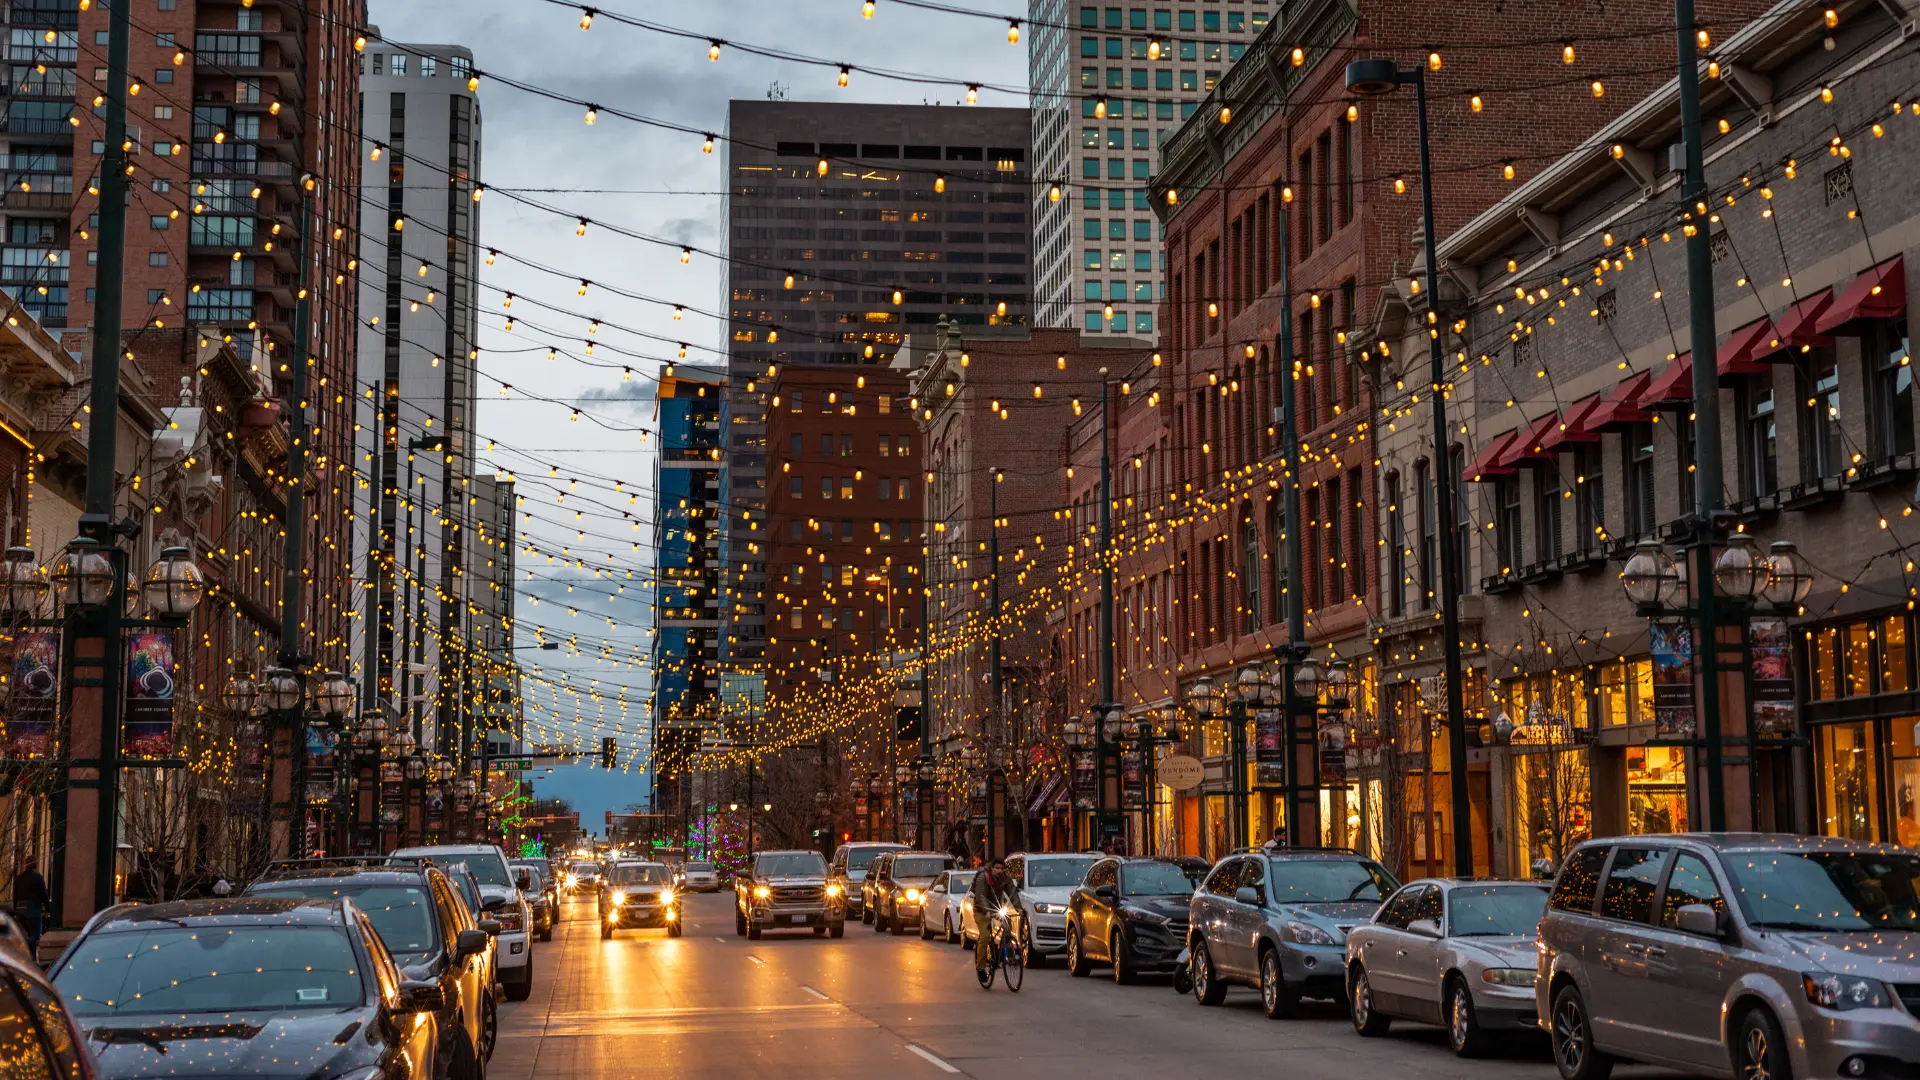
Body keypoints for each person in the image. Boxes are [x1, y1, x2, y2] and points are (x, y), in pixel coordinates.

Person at [967, 857, 1021, 986]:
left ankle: (1007, 950)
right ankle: (980, 968)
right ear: (991, 868)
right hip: (981, 909)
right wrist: (986, 910)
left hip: (997, 908)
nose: (1000, 871)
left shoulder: (1005, 879)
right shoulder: (983, 878)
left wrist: (1019, 908)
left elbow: (1012, 893)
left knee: (1008, 924)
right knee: (985, 937)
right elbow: (980, 896)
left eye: (1002, 868)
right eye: (997, 868)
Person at [11, 860, 46, 955]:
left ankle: (23, 954)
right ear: (36, 866)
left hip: (20, 909)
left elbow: (15, 895)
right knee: (35, 936)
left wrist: (15, 909)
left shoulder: (19, 878)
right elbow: (43, 894)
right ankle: (32, 958)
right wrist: (48, 909)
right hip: (33, 908)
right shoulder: (38, 878)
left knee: (23, 934)